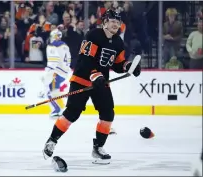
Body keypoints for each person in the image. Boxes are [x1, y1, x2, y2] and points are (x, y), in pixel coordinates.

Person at [42, 9, 141, 164]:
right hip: (82, 78)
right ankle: (52, 140)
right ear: (105, 22)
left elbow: (117, 64)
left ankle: (98, 148)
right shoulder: (94, 35)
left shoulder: (118, 42)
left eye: (118, 22)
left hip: (101, 82)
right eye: (112, 21)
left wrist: (128, 66)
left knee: (108, 113)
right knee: (72, 113)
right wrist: (95, 75)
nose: (115, 24)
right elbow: (86, 60)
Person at [41, 28, 71, 118]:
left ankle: (57, 110)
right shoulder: (65, 45)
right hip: (64, 72)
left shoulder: (52, 46)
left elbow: (54, 61)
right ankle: (60, 109)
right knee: (55, 90)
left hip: (56, 72)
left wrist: (47, 73)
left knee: (50, 91)